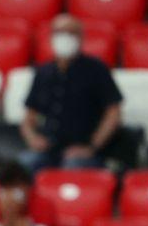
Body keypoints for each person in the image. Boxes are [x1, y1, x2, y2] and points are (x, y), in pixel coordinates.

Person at [19, 14, 123, 173]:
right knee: (22, 165)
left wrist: (92, 147)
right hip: (49, 149)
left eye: (71, 33)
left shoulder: (96, 70)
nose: (65, 37)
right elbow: (28, 116)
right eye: (59, 32)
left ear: (81, 37)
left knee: (73, 167)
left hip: (84, 149)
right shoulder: (43, 72)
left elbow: (113, 114)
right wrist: (32, 138)